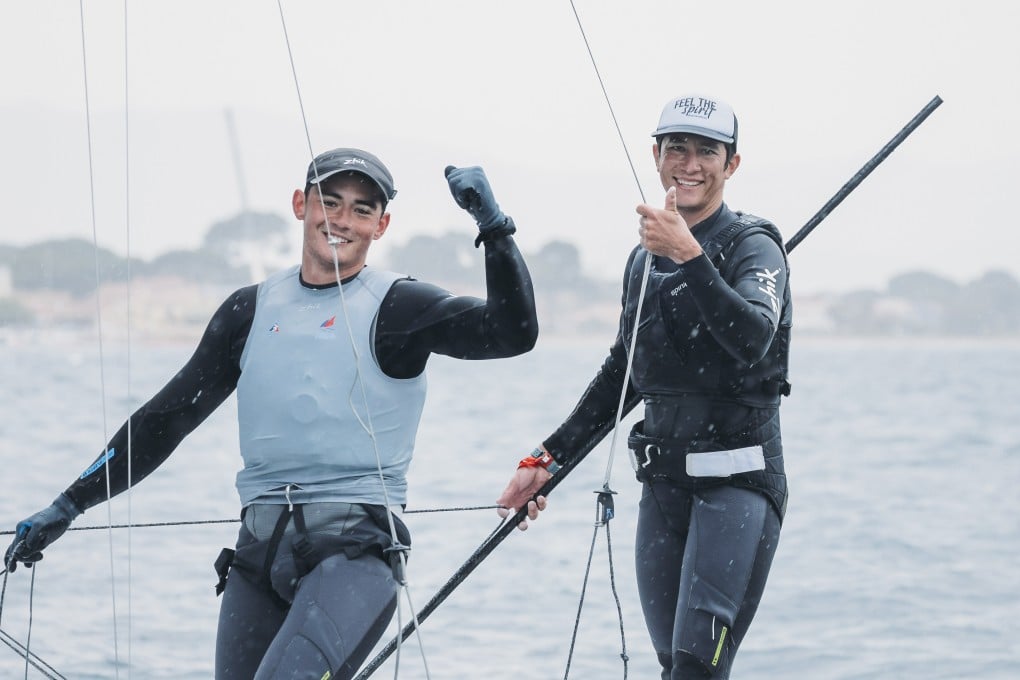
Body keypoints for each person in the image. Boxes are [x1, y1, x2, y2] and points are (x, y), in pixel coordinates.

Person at [4, 148, 539, 679]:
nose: (342, 220)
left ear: (381, 226)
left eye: (361, 210)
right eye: (330, 202)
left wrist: (493, 227)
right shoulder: (248, 310)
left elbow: (509, 334)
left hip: (355, 559)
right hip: (257, 561)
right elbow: (164, 420)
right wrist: (69, 503)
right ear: (300, 204)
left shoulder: (400, 306)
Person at [498, 94, 792, 679]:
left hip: (738, 488)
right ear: (656, 156)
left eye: (707, 151)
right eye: (676, 148)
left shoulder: (755, 246)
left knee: (697, 667)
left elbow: (754, 337)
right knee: (671, 665)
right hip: (664, 490)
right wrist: (547, 458)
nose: (690, 164)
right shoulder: (643, 260)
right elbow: (623, 375)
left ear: (731, 164)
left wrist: (690, 255)